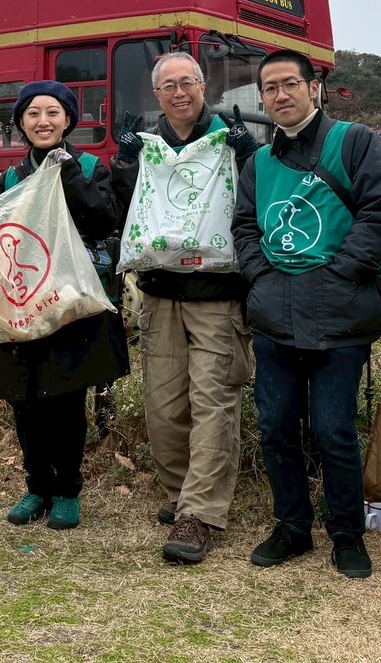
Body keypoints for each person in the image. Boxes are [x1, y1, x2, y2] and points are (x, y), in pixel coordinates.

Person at [231, 50, 381, 577]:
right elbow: (245, 227)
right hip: (274, 314)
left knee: (334, 429)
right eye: (270, 88)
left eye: (290, 83)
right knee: (276, 426)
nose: (280, 95)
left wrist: (341, 272)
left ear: (314, 88)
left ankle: (347, 534)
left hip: (340, 313)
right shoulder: (258, 163)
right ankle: (292, 527)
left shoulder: (355, 142)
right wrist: (261, 278)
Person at [109, 50, 261, 564]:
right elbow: (126, 210)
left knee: (213, 401)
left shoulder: (229, 139)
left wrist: (248, 155)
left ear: (203, 87)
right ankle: (180, 494)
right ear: (157, 94)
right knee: (164, 405)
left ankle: (201, 513)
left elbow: (259, 195)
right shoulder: (148, 146)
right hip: (161, 293)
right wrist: (125, 163)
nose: (179, 93)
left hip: (217, 296)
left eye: (188, 82)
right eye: (169, 85)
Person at [0, 81, 130, 531]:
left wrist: (67, 173)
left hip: (70, 301)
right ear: (21, 123)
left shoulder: (88, 166)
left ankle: (67, 489)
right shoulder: (10, 178)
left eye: (53, 112)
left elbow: (104, 219)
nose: (42, 121)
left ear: (68, 120)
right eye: (32, 113)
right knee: (23, 398)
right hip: (23, 300)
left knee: (67, 399)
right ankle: (36, 487)